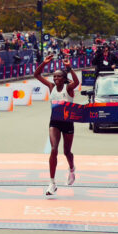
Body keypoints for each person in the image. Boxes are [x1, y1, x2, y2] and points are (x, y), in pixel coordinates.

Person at [34, 54, 80, 196]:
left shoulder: (69, 88)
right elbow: (36, 74)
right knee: (54, 149)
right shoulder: (51, 86)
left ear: (64, 78)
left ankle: (72, 168)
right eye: (54, 76)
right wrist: (44, 62)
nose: (55, 79)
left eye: (58, 76)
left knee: (67, 152)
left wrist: (69, 68)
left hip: (68, 122)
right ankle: (52, 183)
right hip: (54, 121)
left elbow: (77, 82)